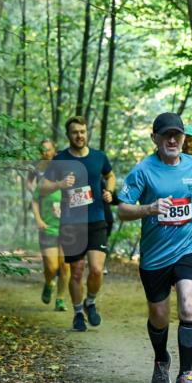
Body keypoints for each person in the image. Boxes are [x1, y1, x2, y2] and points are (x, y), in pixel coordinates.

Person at [118, 112, 192, 383]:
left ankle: (185, 375)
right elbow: (122, 209)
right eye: (166, 135)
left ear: (184, 138)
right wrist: (148, 209)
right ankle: (161, 358)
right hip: (155, 256)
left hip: (189, 248)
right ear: (155, 139)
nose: (172, 140)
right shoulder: (143, 171)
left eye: (177, 135)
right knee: (159, 317)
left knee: (189, 307)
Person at [40, 116, 116, 331]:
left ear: (87, 132)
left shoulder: (99, 157)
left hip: (96, 220)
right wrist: (60, 184)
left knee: (96, 270)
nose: (79, 136)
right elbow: (43, 189)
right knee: (75, 271)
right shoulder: (60, 159)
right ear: (69, 135)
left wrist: (109, 191)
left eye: (82, 131)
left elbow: (110, 176)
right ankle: (77, 313)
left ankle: (90, 302)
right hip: (71, 224)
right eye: (75, 132)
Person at [29, 139, 69, 311]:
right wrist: (38, 219)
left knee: (65, 265)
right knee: (52, 267)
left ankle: (60, 299)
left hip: (68, 228)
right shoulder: (43, 176)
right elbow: (34, 197)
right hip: (48, 226)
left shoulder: (71, 178)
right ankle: (48, 281)